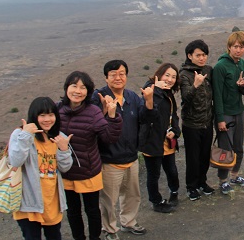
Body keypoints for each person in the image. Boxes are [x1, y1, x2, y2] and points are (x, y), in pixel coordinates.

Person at [59, 71, 122, 240]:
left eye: (83, 87)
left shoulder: (93, 111)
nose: (78, 91)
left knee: (92, 210)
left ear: (88, 92)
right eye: (74, 86)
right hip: (66, 172)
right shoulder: (58, 111)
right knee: (72, 212)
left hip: (88, 171)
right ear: (66, 88)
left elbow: (109, 138)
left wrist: (112, 116)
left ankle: (95, 238)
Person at [92, 60, 147, 239]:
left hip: (130, 156)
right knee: (108, 200)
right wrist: (104, 111)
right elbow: (94, 126)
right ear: (106, 77)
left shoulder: (132, 97)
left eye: (122, 73)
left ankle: (129, 222)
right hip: (109, 159)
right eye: (113, 74)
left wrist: (150, 100)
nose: (118, 77)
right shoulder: (98, 97)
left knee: (132, 195)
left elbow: (145, 119)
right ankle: (109, 229)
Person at [10, 97, 73, 240]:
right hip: (29, 203)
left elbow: (65, 168)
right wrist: (26, 135)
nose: (47, 119)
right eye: (42, 115)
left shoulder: (58, 137)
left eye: (51, 115)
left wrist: (64, 150)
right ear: (34, 116)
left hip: (52, 203)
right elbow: (16, 161)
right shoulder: (20, 135)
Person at [212, 31, 244, 194]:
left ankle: (235, 176)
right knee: (225, 149)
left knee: (238, 146)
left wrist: (242, 86)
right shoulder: (220, 67)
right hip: (225, 114)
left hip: (239, 111)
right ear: (229, 47)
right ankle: (223, 181)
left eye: (242, 47)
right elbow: (217, 95)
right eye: (235, 46)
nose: (238, 50)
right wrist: (220, 119)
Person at [139, 63, 181, 213]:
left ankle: (174, 192)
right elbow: (149, 113)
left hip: (166, 140)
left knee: (171, 170)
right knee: (153, 174)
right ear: (159, 75)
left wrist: (175, 130)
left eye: (174, 77)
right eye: (167, 75)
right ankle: (156, 201)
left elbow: (173, 115)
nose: (170, 79)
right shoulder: (151, 91)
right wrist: (155, 87)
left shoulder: (168, 93)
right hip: (152, 140)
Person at [179, 40, 215, 201]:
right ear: (189, 56)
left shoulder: (208, 70)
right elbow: (186, 98)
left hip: (207, 122)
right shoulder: (184, 74)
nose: (202, 58)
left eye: (204, 55)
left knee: (204, 155)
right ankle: (191, 186)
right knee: (193, 157)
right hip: (192, 124)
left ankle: (202, 182)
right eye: (198, 55)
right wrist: (195, 85)